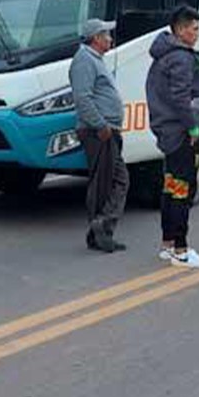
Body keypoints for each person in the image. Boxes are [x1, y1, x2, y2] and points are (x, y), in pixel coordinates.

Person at [146, 5, 199, 269]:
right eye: (195, 29)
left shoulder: (162, 55)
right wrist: (193, 127)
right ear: (182, 29)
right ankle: (182, 250)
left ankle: (167, 244)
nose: (197, 34)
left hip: (165, 130)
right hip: (180, 132)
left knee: (171, 186)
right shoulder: (181, 58)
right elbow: (181, 98)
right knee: (183, 189)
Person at [71, 18, 129, 253]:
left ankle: (100, 231)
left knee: (111, 181)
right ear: (96, 38)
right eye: (106, 35)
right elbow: (82, 98)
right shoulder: (84, 61)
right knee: (111, 182)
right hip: (99, 132)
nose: (110, 39)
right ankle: (101, 226)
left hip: (106, 129)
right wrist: (100, 124)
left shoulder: (94, 60)